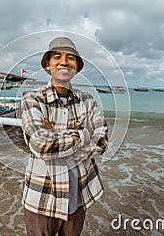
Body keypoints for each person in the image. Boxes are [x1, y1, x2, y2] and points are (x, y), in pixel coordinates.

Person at [21, 37, 108, 235]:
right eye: (57, 56)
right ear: (47, 64)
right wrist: (85, 134)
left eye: (70, 58)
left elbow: (102, 141)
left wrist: (56, 139)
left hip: (77, 195)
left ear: (76, 66)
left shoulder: (88, 100)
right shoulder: (33, 98)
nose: (64, 62)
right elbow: (41, 144)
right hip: (42, 197)